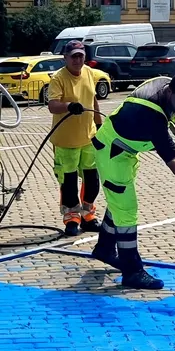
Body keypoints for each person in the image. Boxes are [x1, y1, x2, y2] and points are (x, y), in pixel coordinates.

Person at [90, 73, 175, 290]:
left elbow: (171, 114)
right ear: (170, 91)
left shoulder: (163, 84)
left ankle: (104, 249)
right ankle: (132, 272)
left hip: (122, 151)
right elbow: (171, 159)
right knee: (126, 209)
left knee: (118, 202)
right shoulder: (152, 116)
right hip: (112, 153)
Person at [46, 40, 102, 236]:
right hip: (66, 141)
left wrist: (100, 125)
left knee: (92, 181)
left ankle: (88, 216)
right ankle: (71, 218)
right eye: (74, 56)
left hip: (89, 137)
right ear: (66, 58)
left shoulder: (89, 73)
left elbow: (93, 98)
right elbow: (52, 105)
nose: (77, 60)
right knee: (69, 184)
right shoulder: (58, 78)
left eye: (81, 56)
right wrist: (69, 106)